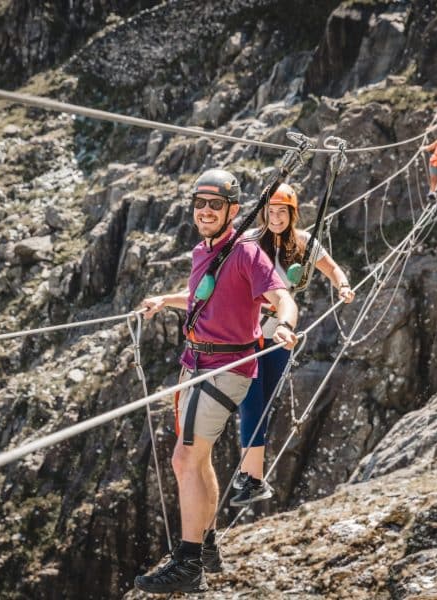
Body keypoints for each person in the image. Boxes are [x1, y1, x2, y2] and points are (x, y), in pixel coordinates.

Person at [134, 169, 299, 595]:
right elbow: (201, 297)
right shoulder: (203, 250)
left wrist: (283, 325)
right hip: (200, 363)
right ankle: (205, 546)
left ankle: (189, 563)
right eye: (200, 203)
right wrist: (164, 301)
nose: (205, 211)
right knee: (198, 456)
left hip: (224, 368)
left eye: (215, 204)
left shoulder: (245, 252)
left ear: (233, 211)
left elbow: (283, 296)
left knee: (185, 459)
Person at [229, 183, 355, 507]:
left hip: (281, 336)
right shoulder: (251, 243)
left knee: (264, 403)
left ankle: (252, 476)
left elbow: (332, 268)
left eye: (281, 212)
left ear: (291, 214)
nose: (275, 218)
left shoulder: (303, 243)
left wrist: (342, 286)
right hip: (252, 332)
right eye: (270, 212)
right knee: (251, 401)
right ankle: (250, 477)